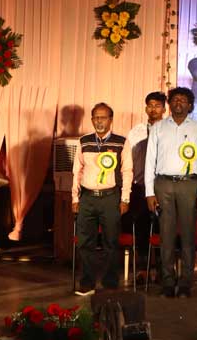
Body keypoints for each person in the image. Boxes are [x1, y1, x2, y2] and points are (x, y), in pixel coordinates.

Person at [145, 87, 197, 298]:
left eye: (183, 100)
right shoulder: (158, 128)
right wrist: (149, 192)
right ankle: (167, 281)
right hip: (163, 184)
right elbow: (150, 160)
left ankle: (185, 282)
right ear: (169, 103)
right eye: (175, 99)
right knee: (166, 236)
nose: (178, 103)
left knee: (188, 235)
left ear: (190, 105)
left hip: (189, 185)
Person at [72, 102, 133, 296]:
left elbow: (127, 171)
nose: (99, 121)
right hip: (87, 197)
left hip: (110, 197)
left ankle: (110, 283)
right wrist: (75, 198)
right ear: (92, 120)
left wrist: (125, 199)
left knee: (111, 241)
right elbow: (77, 171)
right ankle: (87, 283)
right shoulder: (84, 141)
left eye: (103, 117)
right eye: (96, 118)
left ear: (110, 120)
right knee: (85, 242)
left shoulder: (121, 142)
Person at [126, 92, 166, 265]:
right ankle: (143, 267)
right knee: (141, 225)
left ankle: (163, 266)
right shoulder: (136, 131)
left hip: (163, 185)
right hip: (140, 186)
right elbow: (128, 159)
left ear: (164, 109)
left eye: (157, 106)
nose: (153, 109)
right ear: (145, 108)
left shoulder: (170, 130)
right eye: (150, 105)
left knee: (162, 226)